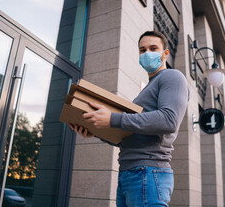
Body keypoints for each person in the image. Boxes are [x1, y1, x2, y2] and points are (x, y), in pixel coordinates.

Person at [69, 31, 189, 206]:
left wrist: (112, 119)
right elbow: (128, 138)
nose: (147, 53)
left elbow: (169, 120)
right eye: (142, 50)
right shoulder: (147, 90)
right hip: (129, 173)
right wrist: (94, 131)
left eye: (153, 48)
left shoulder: (172, 77)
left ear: (165, 53)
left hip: (148, 173)